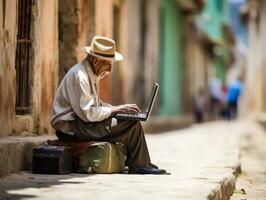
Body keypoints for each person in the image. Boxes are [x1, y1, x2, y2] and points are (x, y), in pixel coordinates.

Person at [51, 36, 166, 174]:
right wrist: (116, 110)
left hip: (82, 124)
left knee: (129, 120)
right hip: (72, 129)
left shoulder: (91, 74)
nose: (110, 70)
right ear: (96, 61)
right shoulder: (79, 76)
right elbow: (88, 114)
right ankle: (139, 164)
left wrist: (118, 109)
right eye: (108, 64)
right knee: (131, 125)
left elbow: (96, 105)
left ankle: (141, 163)